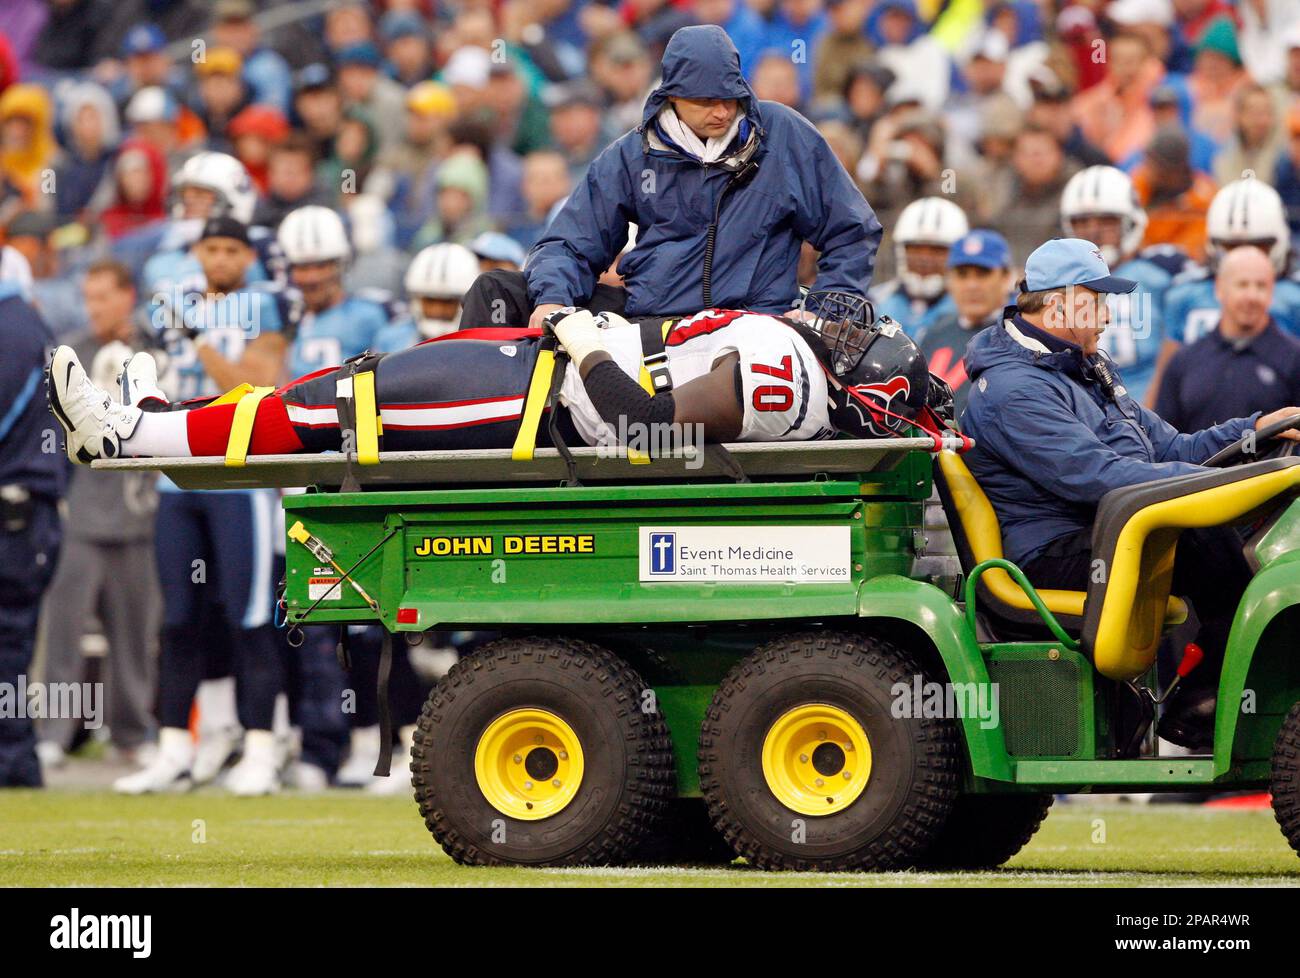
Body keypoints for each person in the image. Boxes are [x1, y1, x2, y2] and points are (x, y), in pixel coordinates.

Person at [960, 238, 1300, 749]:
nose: (1108, 316)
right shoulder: (1013, 391)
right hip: (1048, 554)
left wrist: (1257, 430)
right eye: (1097, 301)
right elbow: (1098, 476)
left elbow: (1172, 446)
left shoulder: (1086, 367)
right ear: (1059, 305)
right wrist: (1223, 487)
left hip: (1100, 530)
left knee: (1224, 538)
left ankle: (1210, 699)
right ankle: (1202, 704)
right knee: (1208, 542)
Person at [49, 294, 943, 475]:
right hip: (545, 368)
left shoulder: (788, 374)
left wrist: (591, 345)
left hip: (549, 399)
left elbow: (648, 428)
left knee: (334, 408)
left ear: (859, 379)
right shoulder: (795, 356)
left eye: (858, 340)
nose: (843, 328)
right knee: (333, 388)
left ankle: (127, 437)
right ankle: (159, 416)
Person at [461, 25, 881, 332]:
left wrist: (825, 312)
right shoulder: (633, 152)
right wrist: (552, 297)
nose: (721, 110)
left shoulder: (784, 134)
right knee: (496, 290)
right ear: (672, 96)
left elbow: (852, 230)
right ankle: (478, 431)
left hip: (755, 327)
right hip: (651, 321)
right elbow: (567, 243)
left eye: (731, 97)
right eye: (705, 100)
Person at [110, 215, 291, 796]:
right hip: (178, 483)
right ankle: (173, 748)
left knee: (251, 617)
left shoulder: (265, 305)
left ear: (247, 254)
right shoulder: (169, 307)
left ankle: (261, 746)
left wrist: (197, 340)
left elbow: (256, 383)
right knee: (179, 620)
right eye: (209, 248)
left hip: (241, 478)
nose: (218, 259)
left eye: (229, 248)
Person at [36, 260, 160, 770]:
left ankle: (132, 732)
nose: (94, 308)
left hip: (139, 519)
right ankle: (53, 734)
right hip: (82, 518)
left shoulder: (152, 353)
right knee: (64, 635)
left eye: (103, 297)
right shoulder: (71, 353)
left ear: (127, 296)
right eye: (88, 298)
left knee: (134, 637)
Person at [0, 256, 65, 787]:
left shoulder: (12, 329)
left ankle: (14, 764)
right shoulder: (31, 326)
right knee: (12, 646)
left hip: (14, 514)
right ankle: (15, 760)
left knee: (9, 643)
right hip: (30, 507)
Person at [1153, 178, 1300, 402]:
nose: (1244, 257)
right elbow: (1166, 376)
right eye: (1231, 247)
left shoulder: (1293, 297)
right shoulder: (1184, 294)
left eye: (1257, 246)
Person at [1060, 164, 1193, 405]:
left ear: (1130, 223)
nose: (1093, 231)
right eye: (1082, 222)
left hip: (1153, 410)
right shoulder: (1057, 279)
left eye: (1106, 221)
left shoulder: (1162, 272)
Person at [1156, 247, 1300, 433]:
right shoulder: (1184, 361)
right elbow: (1163, 441)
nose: (1252, 296)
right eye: (1242, 285)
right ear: (1219, 288)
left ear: (1272, 291)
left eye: (1261, 286)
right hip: (1197, 462)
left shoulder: (1294, 358)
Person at [913, 229, 1014, 417]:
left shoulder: (1018, 335)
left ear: (1006, 277)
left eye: (982, 273)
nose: (971, 285)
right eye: (962, 274)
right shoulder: (933, 332)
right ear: (949, 280)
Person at [869, 196, 968, 338]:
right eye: (916, 249)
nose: (925, 259)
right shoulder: (875, 302)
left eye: (937, 250)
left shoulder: (969, 308)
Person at [375, 242, 480, 352]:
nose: (437, 310)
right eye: (430, 301)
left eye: (448, 302)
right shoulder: (391, 339)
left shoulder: (483, 342)